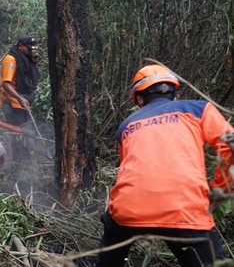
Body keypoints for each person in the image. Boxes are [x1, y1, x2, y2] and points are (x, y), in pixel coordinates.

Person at [96, 64, 233, 267]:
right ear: (175, 94)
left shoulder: (126, 125)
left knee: (110, 248)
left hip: (128, 210)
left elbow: (129, 168)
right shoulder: (199, 109)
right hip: (186, 210)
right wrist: (219, 190)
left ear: (139, 99)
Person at [0, 35, 41, 160]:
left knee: (25, 133)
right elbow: (6, 84)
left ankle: (25, 161)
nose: (31, 51)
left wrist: (33, 64)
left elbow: (25, 78)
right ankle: (19, 164)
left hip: (22, 104)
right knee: (19, 135)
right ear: (21, 46)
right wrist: (20, 98)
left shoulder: (24, 59)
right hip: (12, 104)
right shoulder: (11, 60)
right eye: (28, 49)